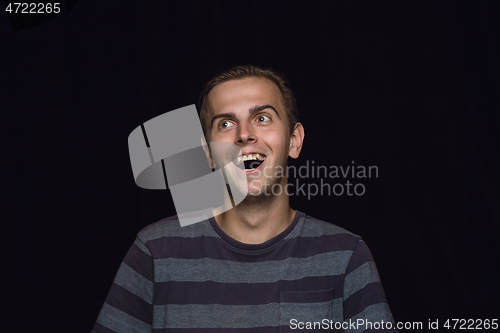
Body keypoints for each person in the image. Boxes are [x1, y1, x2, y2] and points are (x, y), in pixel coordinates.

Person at [92, 65, 398, 332]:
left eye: (262, 118)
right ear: (208, 154)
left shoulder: (346, 255)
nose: (244, 134)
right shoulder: (155, 252)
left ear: (294, 140)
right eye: (225, 123)